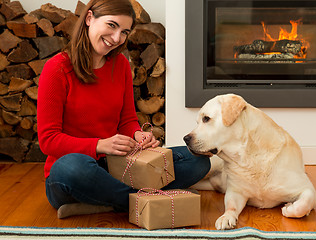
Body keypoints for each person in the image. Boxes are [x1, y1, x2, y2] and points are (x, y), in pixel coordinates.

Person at [37, 0, 210, 218]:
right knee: (70, 167)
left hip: (118, 167)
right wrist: (100, 145)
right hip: (74, 175)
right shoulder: (56, 69)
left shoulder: (120, 65)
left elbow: (127, 119)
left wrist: (138, 135)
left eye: (124, 31)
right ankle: (145, 200)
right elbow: (48, 140)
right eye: (111, 25)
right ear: (89, 18)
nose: (117, 38)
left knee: (198, 159)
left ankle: (114, 201)